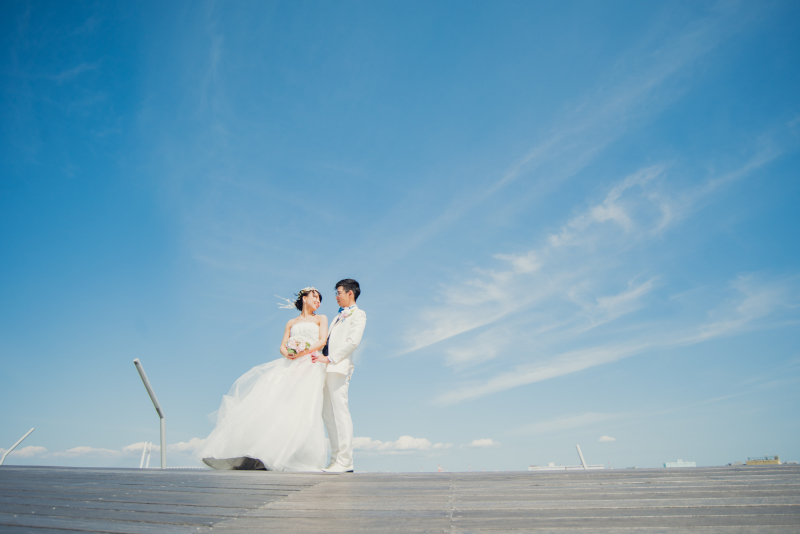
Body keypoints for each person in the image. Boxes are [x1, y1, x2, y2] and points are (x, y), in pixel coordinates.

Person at [196, 287, 329, 471]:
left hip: (310, 365)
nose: (318, 301)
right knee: (273, 404)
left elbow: (322, 341)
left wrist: (303, 352)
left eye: (320, 299)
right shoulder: (291, 322)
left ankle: (288, 456)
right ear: (304, 298)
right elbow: (282, 346)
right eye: (315, 297)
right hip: (290, 364)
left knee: (301, 408)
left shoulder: (321, 318)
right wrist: (289, 354)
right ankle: (257, 453)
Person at [312, 279, 366, 473]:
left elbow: (352, 342)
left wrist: (330, 358)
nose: (336, 296)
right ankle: (335, 459)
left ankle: (345, 461)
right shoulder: (337, 317)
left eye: (339, 292)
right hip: (324, 369)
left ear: (350, 293)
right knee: (327, 414)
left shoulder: (358, 314)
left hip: (338, 367)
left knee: (340, 413)